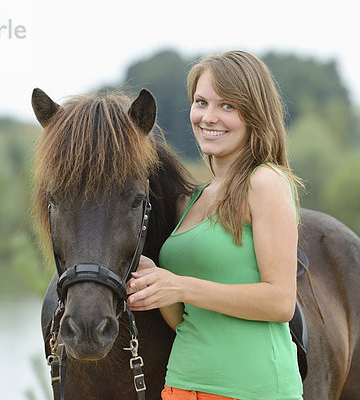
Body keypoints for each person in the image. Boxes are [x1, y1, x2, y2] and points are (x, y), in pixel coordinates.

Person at [127, 50, 304, 400]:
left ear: (254, 113)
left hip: (254, 390)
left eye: (227, 106)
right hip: (182, 386)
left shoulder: (265, 182)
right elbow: (188, 320)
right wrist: (155, 279)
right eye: (201, 102)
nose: (209, 117)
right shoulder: (195, 198)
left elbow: (280, 301)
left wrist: (180, 286)